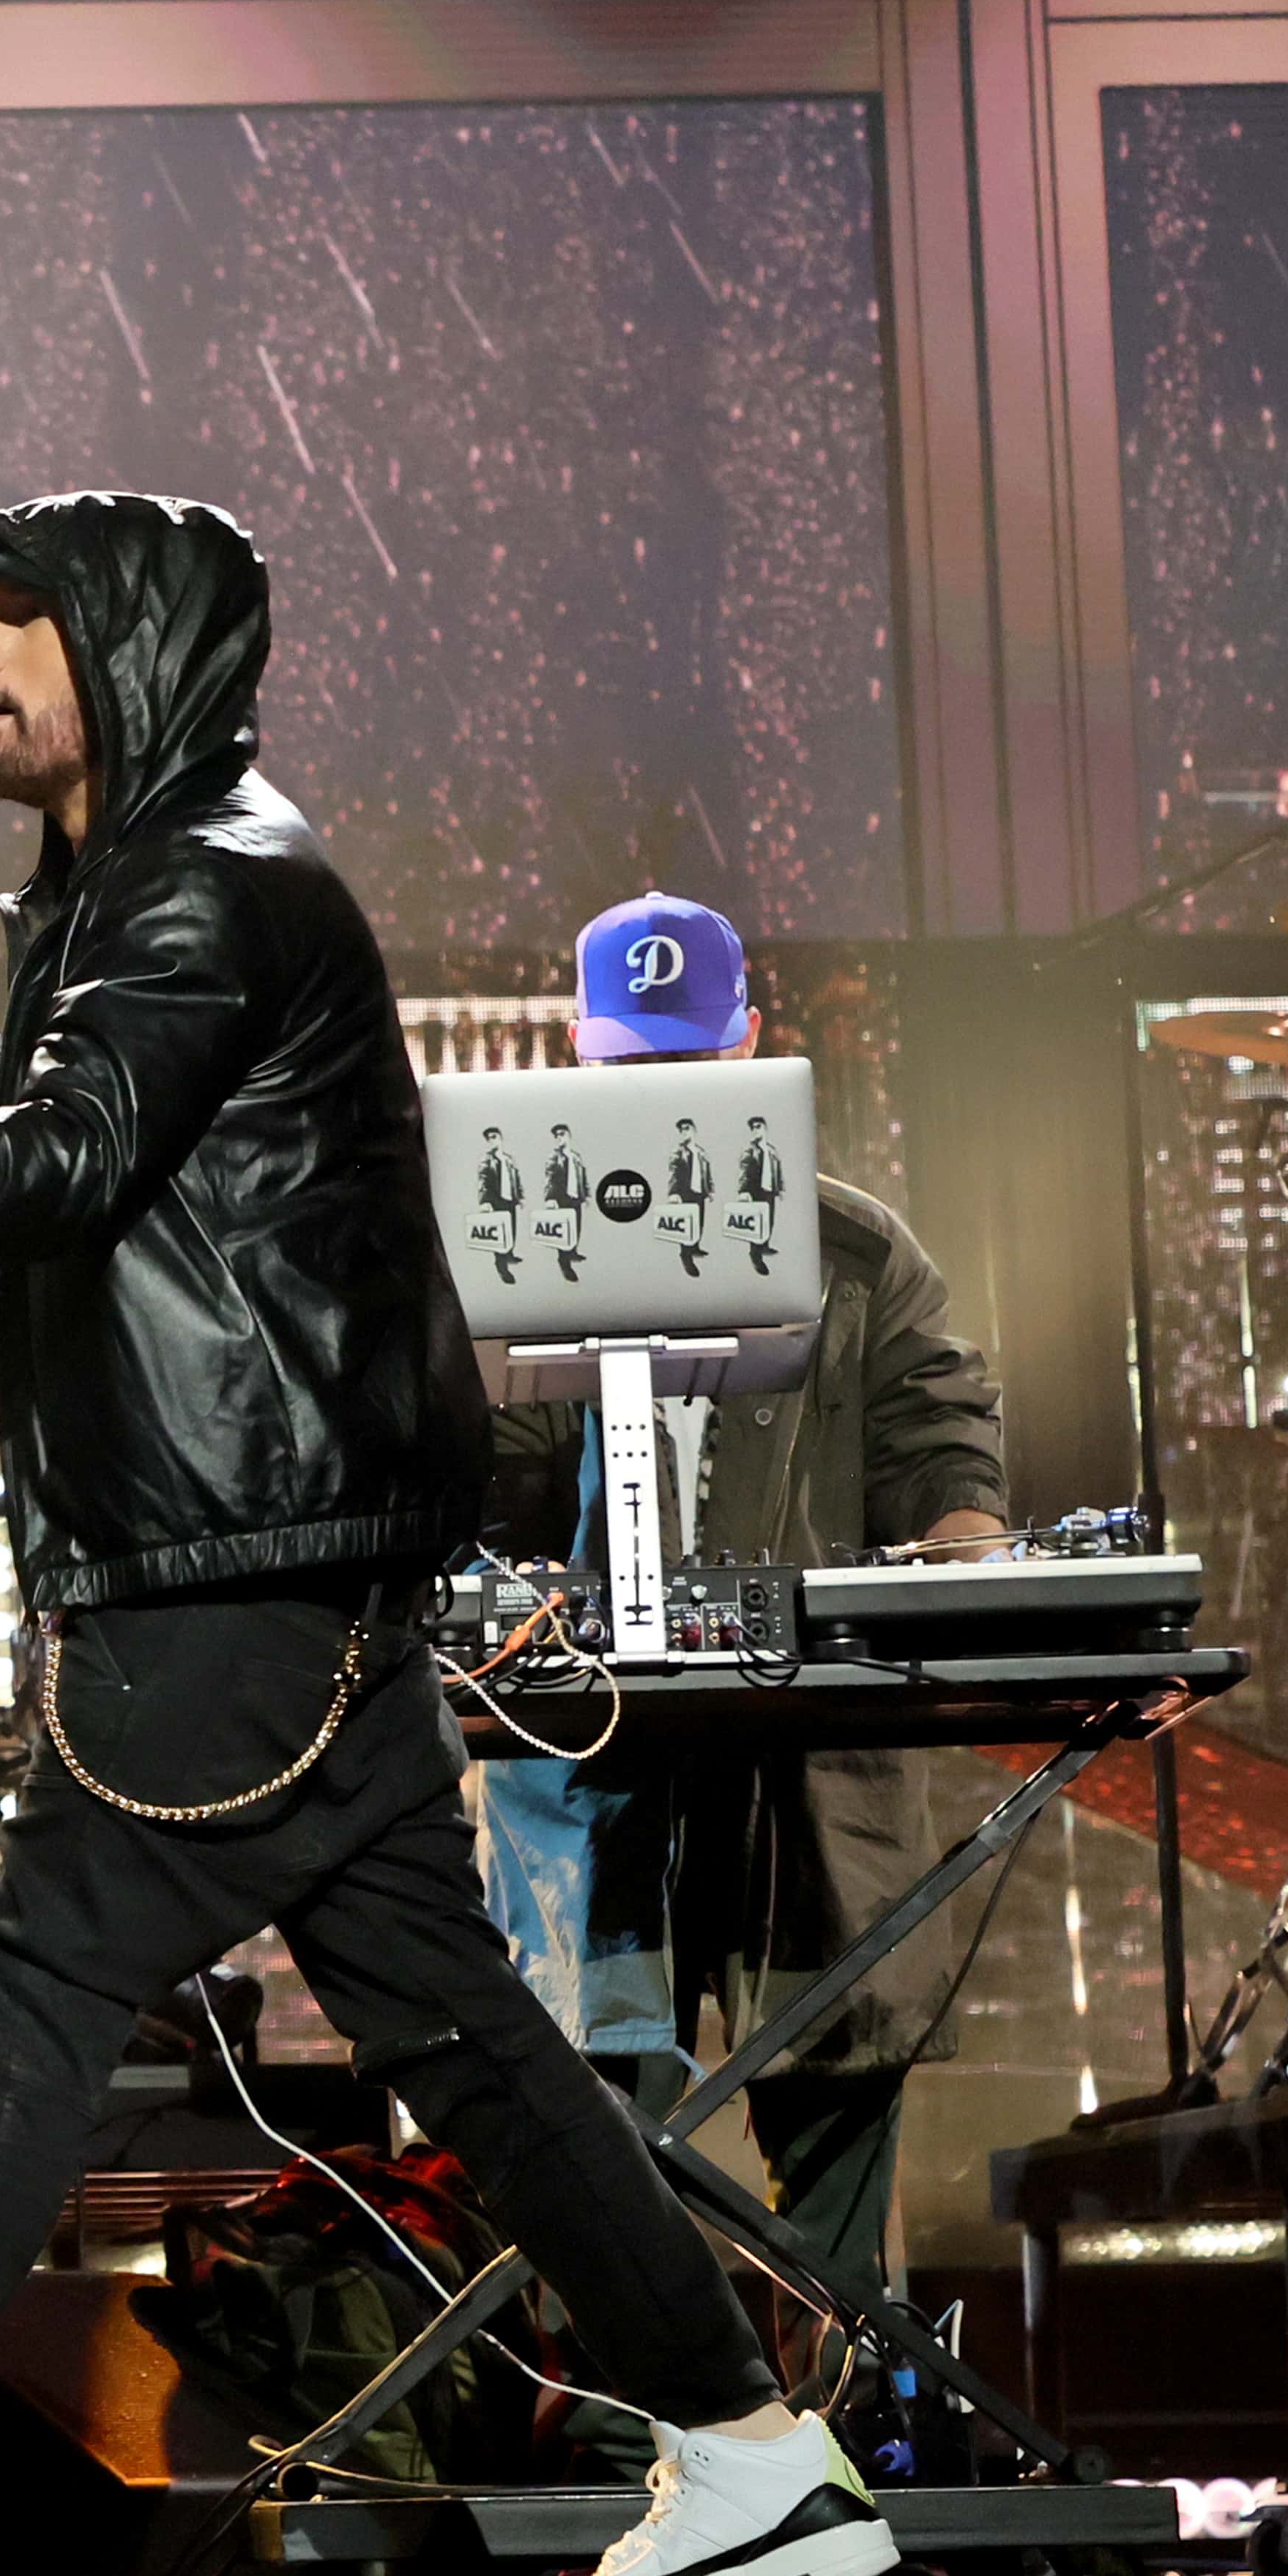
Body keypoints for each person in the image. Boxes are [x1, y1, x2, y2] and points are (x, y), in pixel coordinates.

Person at [0, 493, 889, 2576]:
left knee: (43, 1997)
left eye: (24, 618)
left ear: (133, 649)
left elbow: (42, 1167)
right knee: (469, 2037)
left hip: (230, 1562)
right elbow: (3, 1154)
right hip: (275, 1550)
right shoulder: (140, 889)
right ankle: (743, 2454)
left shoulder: (202, 887)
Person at [477, 893, 1008, 2384]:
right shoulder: (525, 1236)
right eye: (625, 1068)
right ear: (577, 1055)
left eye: (685, 1064)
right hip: (591, 1762)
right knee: (591, 2092)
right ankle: (605, 2430)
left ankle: (836, 2430)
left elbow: (940, 1432)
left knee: (835, 2073)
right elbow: (483, 1481)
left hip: (805, 1765)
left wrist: (970, 1542)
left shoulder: (857, 1246)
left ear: (753, 1048)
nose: (654, 1098)